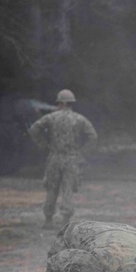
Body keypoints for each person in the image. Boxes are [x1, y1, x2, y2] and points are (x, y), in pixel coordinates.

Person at [28, 89, 98, 229]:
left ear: (60, 102)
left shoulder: (51, 117)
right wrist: (82, 152)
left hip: (54, 157)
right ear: (71, 103)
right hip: (72, 159)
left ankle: (48, 220)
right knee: (68, 189)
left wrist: (44, 145)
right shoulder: (79, 119)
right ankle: (65, 220)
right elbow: (93, 136)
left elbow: (34, 129)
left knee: (51, 188)